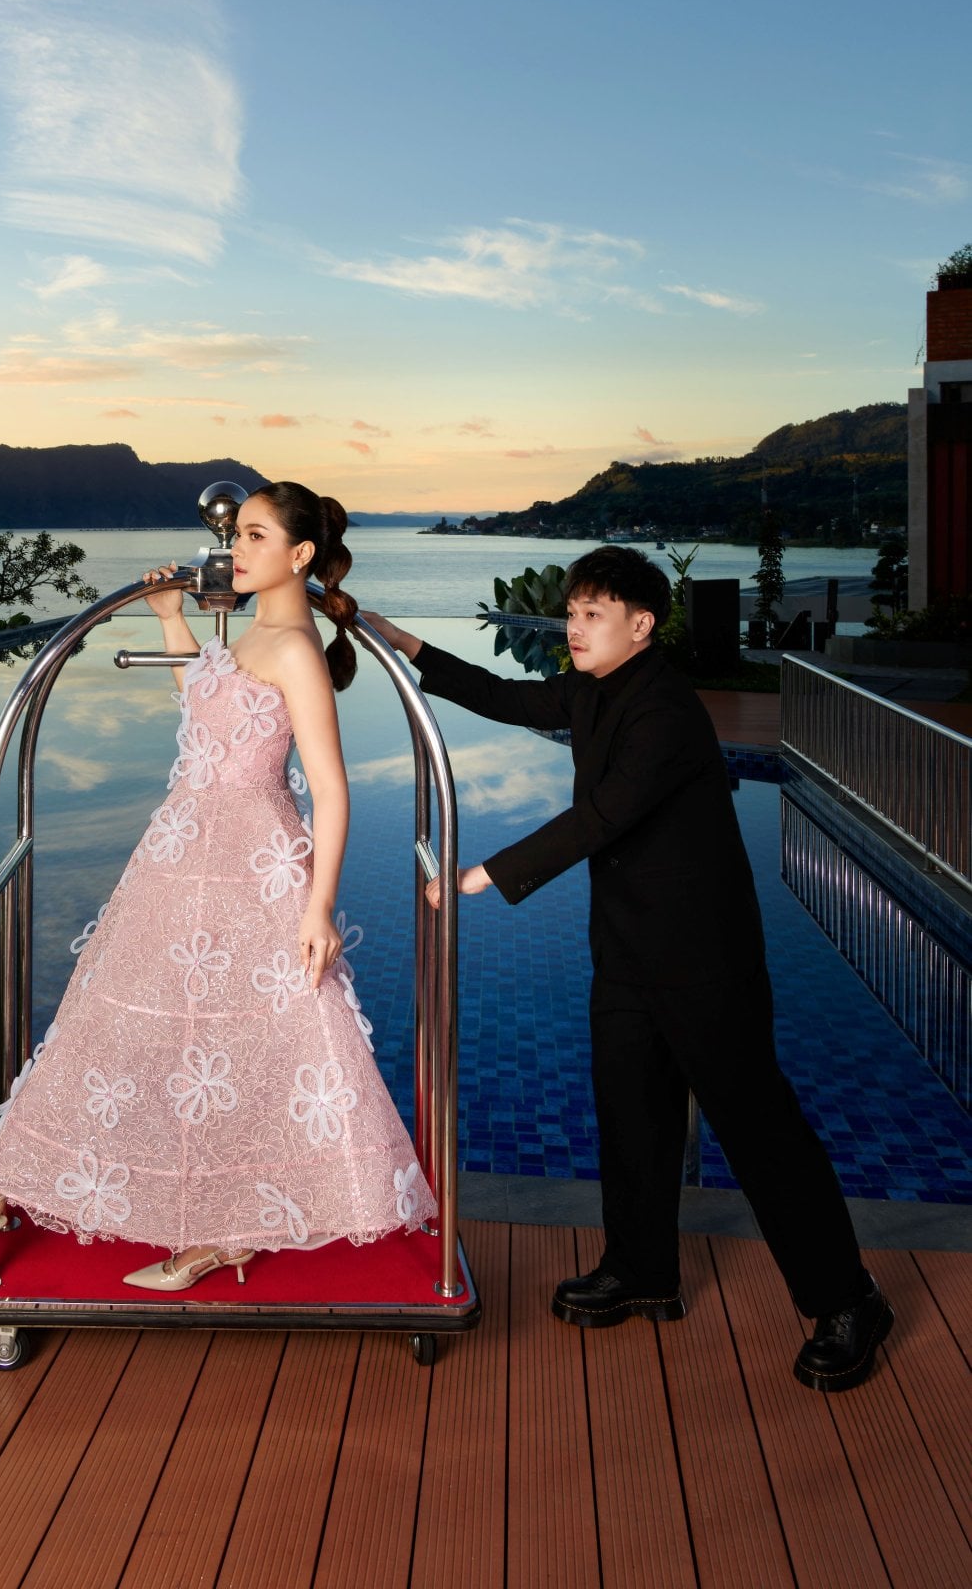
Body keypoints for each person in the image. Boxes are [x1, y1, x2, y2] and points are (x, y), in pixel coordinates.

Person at [0, 481, 435, 1288]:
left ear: (301, 554)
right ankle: (8, 1186)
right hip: (182, 856)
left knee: (240, 1045)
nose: (235, 550)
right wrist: (172, 620)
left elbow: (331, 787)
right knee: (141, 1034)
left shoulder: (295, 647)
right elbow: (213, 715)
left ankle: (157, 1219)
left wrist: (318, 908)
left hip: (249, 864)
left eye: (255, 536)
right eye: (238, 535)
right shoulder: (258, 632)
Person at [363, 545, 892, 1393]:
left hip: (705, 959)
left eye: (593, 615)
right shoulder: (591, 688)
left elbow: (603, 816)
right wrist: (406, 644)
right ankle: (642, 1271)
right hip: (629, 949)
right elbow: (503, 696)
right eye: (571, 613)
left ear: (640, 625)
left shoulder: (666, 710)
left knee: (760, 1131)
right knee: (632, 1114)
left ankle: (848, 1299)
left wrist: (483, 874)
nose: (573, 628)